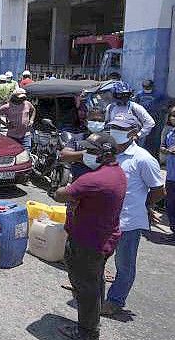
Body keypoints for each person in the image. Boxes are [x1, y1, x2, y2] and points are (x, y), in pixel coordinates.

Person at [51, 132, 126, 340]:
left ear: (104, 154)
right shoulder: (116, 172)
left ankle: (86, 332)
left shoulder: (94, 180)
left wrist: (68, 192)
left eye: (91, 151)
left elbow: (59, 194)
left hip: (87, 243)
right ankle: (91, 322)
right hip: (103, 238)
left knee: (85, 288)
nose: (85, 154)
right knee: (94, 283)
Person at [102, 119, 165, 316]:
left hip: (128, 222)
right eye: (113, 128)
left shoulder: (143, 159)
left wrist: (144, 205)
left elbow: (158, 190)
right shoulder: (108, 153)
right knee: (95, 259)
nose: (116, 132)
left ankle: (115, 301)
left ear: (134, 133)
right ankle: (91, 290)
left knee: (124, 264)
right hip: (103, 219)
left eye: (121, 129)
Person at [60, 108, 107, 181]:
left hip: (100, 183)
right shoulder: (77, 137)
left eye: (100, 121)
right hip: (78, 182)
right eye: (93, 120)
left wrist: (76, 157)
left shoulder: (109, 140)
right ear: (86, 121)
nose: (97, 123)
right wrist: (85, 154)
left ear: (104, 123)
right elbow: (64, 156)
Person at [104, 81, 155, 147]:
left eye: (126, 95)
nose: (124, 98)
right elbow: (106, 123)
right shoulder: (110, 107)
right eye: (120, 95)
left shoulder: (135, 107)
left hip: (132, 142)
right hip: (114, 141)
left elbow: (150, 123)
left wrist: (138, 135)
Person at [161, 106, 175, 239]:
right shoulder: (170, 133)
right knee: (170, 203)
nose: (173, 118)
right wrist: (167, 150)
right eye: (172, 115)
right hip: (171, 175)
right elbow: (163, 148)